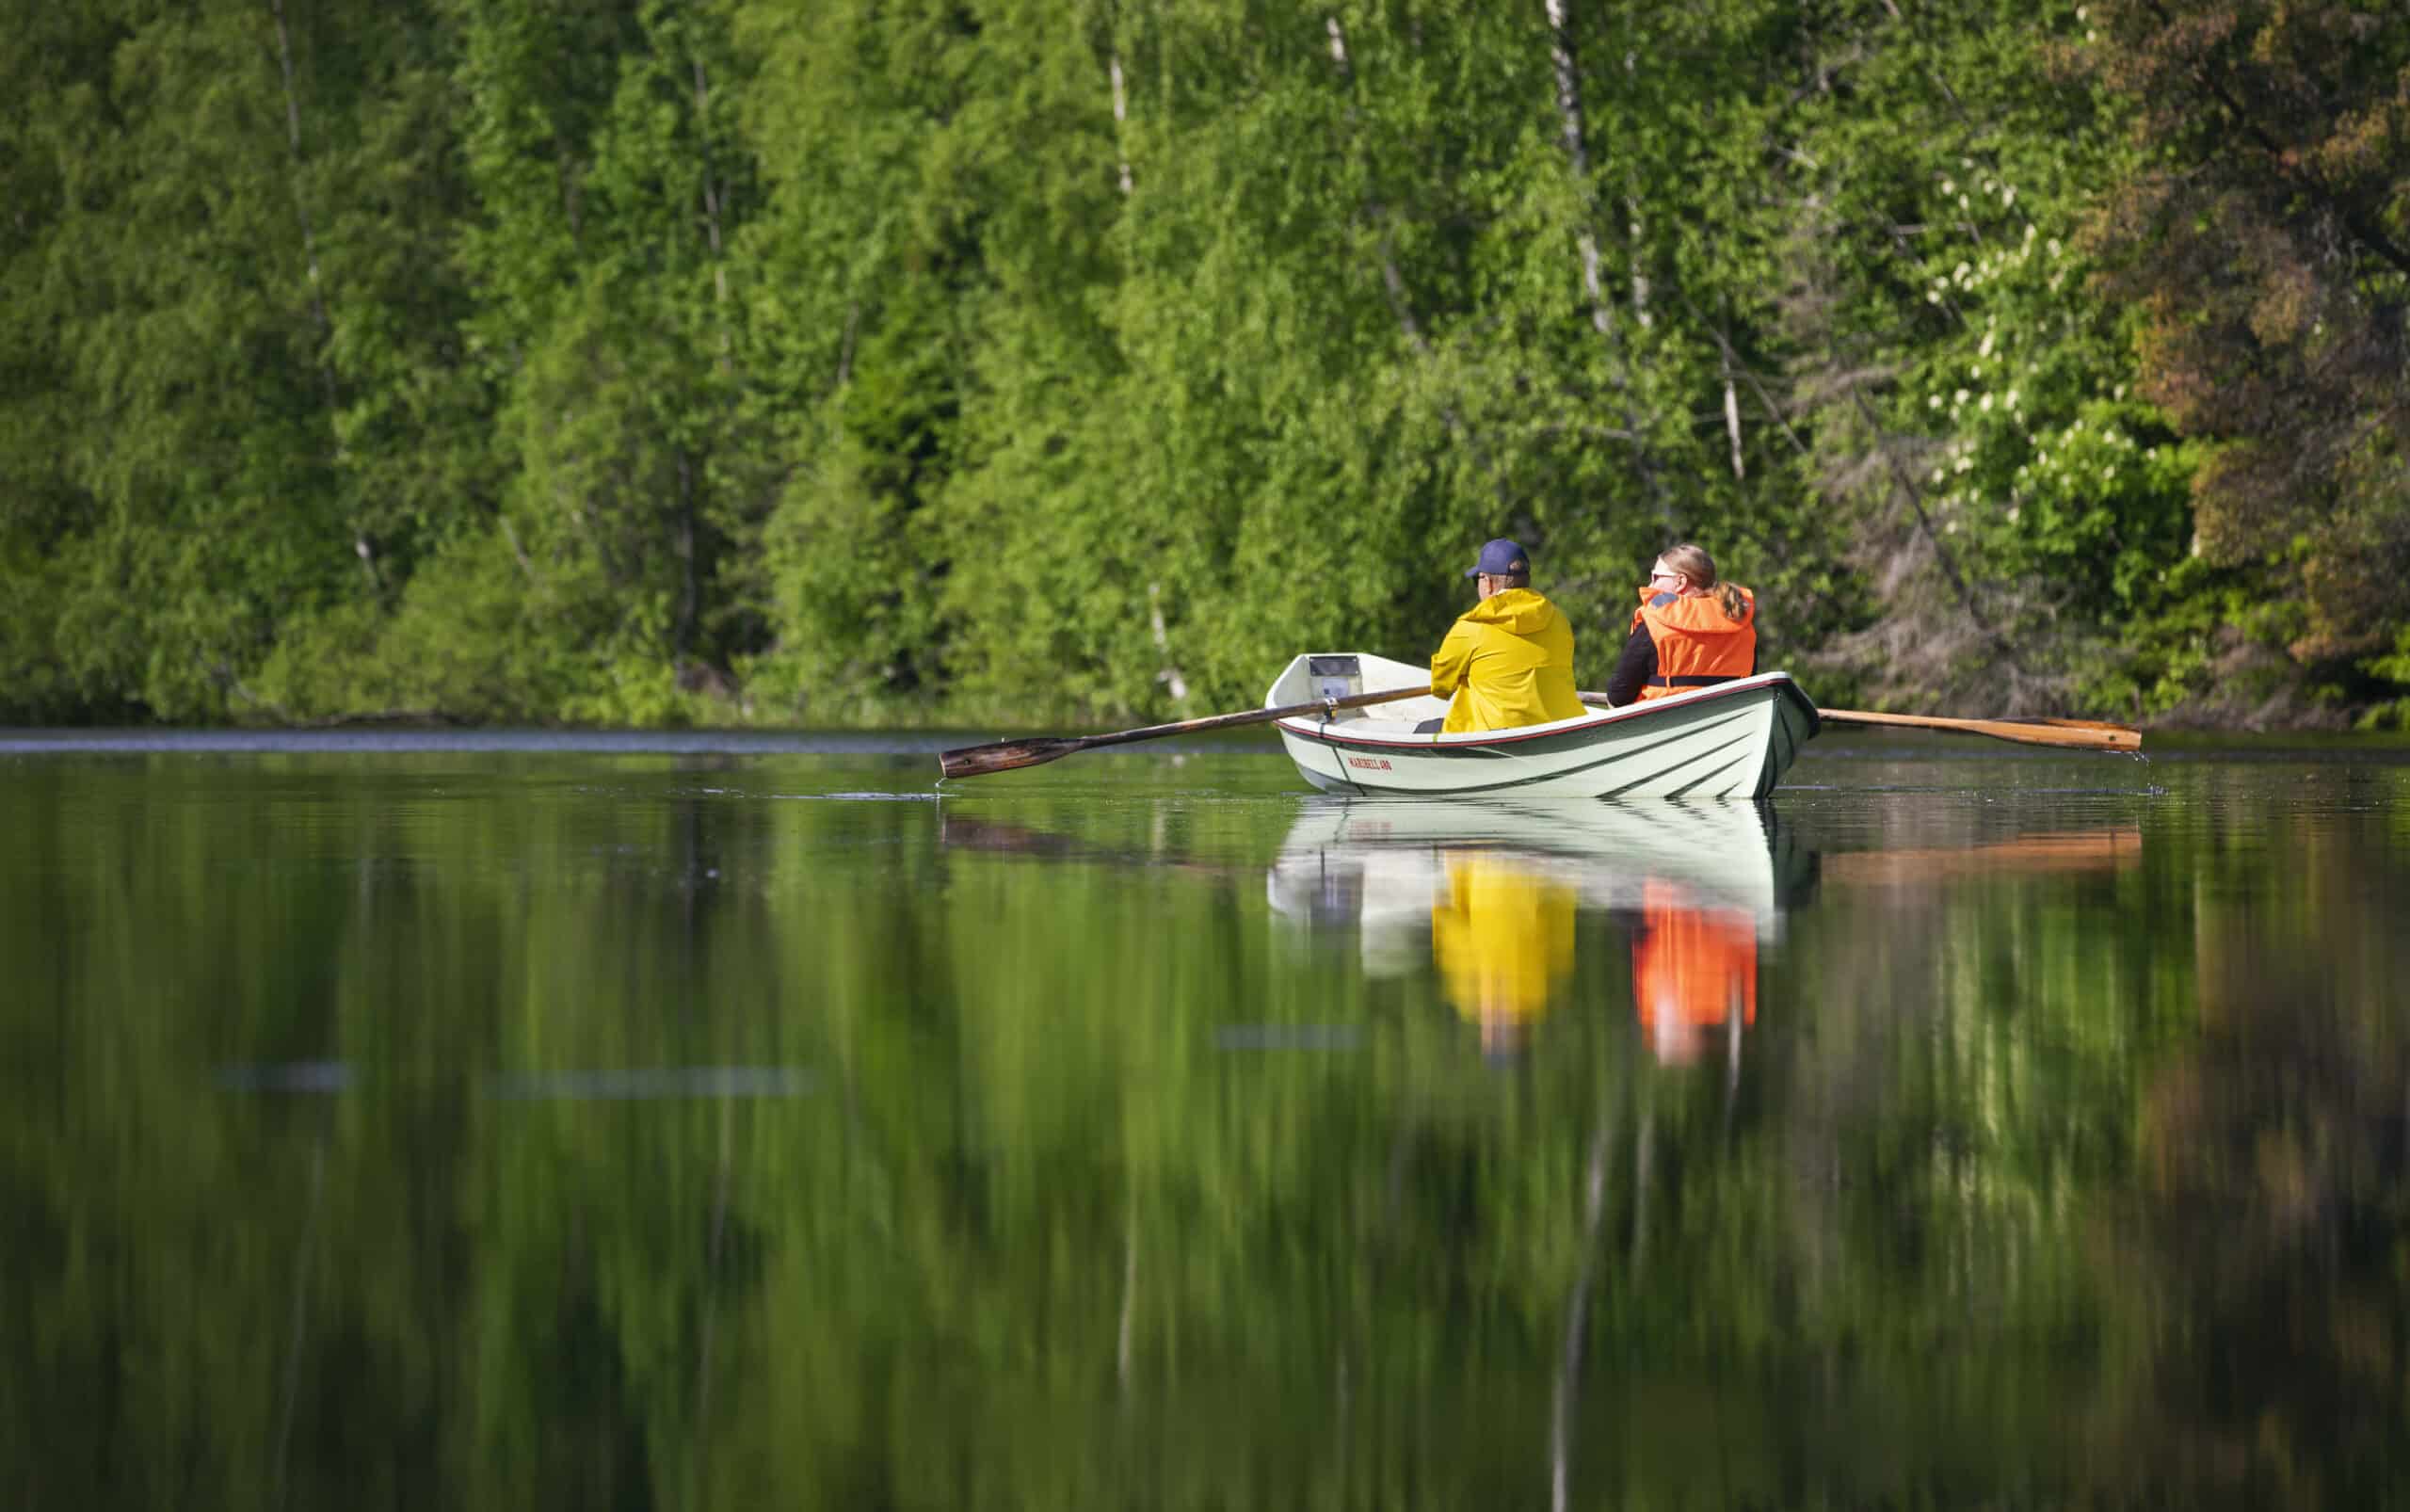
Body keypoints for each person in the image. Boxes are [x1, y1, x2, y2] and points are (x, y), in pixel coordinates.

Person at [1426, 539, 1586, 734]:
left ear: (1488, 583)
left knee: (1424, 729)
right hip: (1562, 732)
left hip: (1497, 738)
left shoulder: (1471, 628)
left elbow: (1440, 687)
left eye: (1477, 580)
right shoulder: (1560, 622)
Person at [1602, 543, 1756, 707]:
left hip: (1661, 720)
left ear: (1680, 582)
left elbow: (1618, 695)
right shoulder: (1739, 620)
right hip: (1728, 712)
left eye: (1656, 577)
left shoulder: (1654, 621)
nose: (1650, 586)